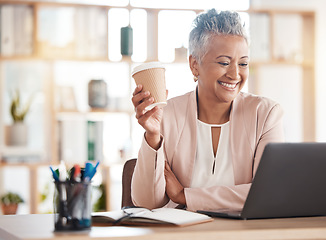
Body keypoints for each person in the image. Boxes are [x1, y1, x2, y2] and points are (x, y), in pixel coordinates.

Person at [131, 9, 284, 211]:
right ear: (195, 65)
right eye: (224, 62)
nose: (235, 74)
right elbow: (146, 203)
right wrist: (152, 136)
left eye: (243, 63)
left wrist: (184, 196)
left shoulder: (265, 114)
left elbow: (268, 193)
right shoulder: (167, 114)